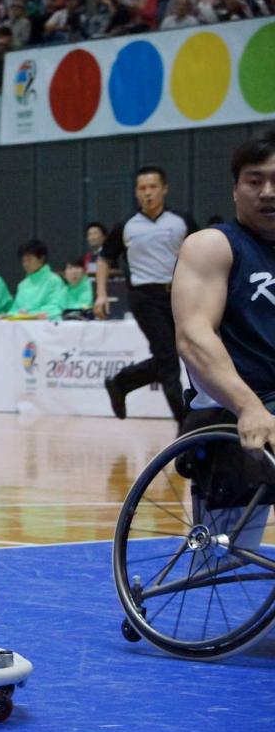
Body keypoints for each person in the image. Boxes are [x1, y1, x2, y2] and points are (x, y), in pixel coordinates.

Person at [171, 130, 275, 515]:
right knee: (225, 557)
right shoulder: (212, 246)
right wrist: (248, 406)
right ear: (235, 190)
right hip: (233, 405)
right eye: (254, 181)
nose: (267, 191)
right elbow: (194, 336)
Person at [98, 166, 196, 422]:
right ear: (136, 193)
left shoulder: (181, 221)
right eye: (142, 188)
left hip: (179, 296)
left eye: (152, 187)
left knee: (181, 354)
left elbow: (202, 252)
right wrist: (100, 294)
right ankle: (185, 426)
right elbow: (104, 259)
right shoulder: (127, 226)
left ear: (164, 189)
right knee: (169, 361)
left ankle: (121, 382)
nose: (147, 193)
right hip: (144, 298)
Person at [8, 239, 66, 320]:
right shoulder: (22, 285)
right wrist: (10, 314)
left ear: (41, 258)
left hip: (46, 326)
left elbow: (56, 306)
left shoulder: (54, 281)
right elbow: (15, 309)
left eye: (29, 260)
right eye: (23, 261)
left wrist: (32, 314)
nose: (25, 264)